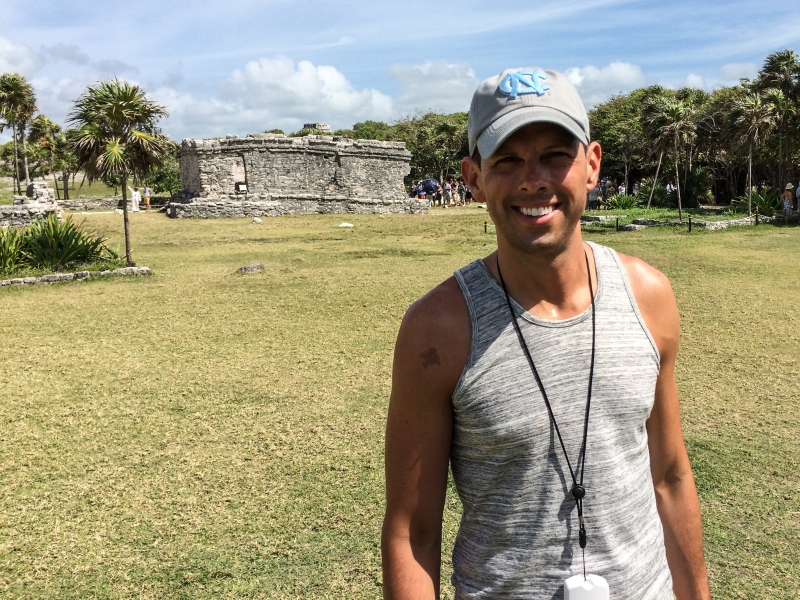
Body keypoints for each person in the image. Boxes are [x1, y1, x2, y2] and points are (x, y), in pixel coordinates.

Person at [382, 67, 710, 600]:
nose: (533, 179)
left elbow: (669, 479)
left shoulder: (648, 296)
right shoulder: (438, 329)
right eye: (507, 160)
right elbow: (411, 533)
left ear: (592, 166)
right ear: (474, 177)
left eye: (556, 155)